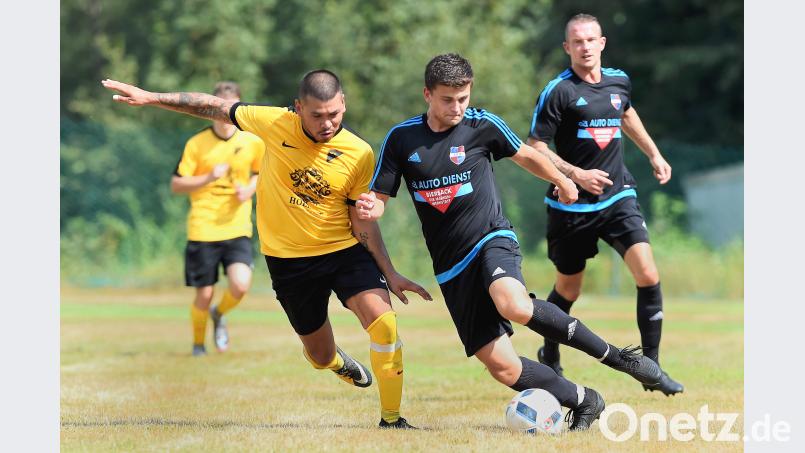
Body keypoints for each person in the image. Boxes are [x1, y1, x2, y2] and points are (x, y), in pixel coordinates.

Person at [102, 70, 431, 429]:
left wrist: (390, 271)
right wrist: (151, 97)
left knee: (384, 325)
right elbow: (212, 106)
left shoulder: (359, 153)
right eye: (317, 115)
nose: (327, 123)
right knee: (319, 357)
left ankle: (392, 419)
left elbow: (362, 223)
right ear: (297, 108)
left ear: (344, 104)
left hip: (342, 252)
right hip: (290, 263)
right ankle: (336, 363)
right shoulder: (274, 123)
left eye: (335, 113)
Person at [359, 53, 662, 431]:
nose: (457, 107)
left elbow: (527, 155)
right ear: (427, 95)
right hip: (451, 267)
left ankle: (617, 358)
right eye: (447, 99)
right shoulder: (402, 139)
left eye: (463, 98)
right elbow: (379, 204)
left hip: (491, 238)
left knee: (514, 303)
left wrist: (564, 179)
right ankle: (585, 400)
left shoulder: (482, 124)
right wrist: (372, 209)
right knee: (501, 366)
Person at [526, 14, 683, 396]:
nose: (584, 47)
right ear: (568, 48)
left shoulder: (619, 81)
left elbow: (626, 114)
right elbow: (535, 147)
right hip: (571, 208)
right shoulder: (557, 92)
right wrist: (577, 175)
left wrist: (654, 154)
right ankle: (550, 352)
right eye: (576, 41)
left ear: (602, 43)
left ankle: (652, 366)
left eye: (590, 40)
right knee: (569, 289)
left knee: (647, 273)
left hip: (618, 197)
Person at [170, 81, 264, 357]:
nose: (224, 117)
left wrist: (250, 188)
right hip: (203, 228)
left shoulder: (252, 141)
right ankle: (199, 345)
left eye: (230, 111)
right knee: (204, 293)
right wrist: (208, 177)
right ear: (211, 111)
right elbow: (177, 184)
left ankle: (219, 314)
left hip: (237, 227)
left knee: (241, 284)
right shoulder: (197, 143)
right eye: (219, 111)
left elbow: (262, 173)